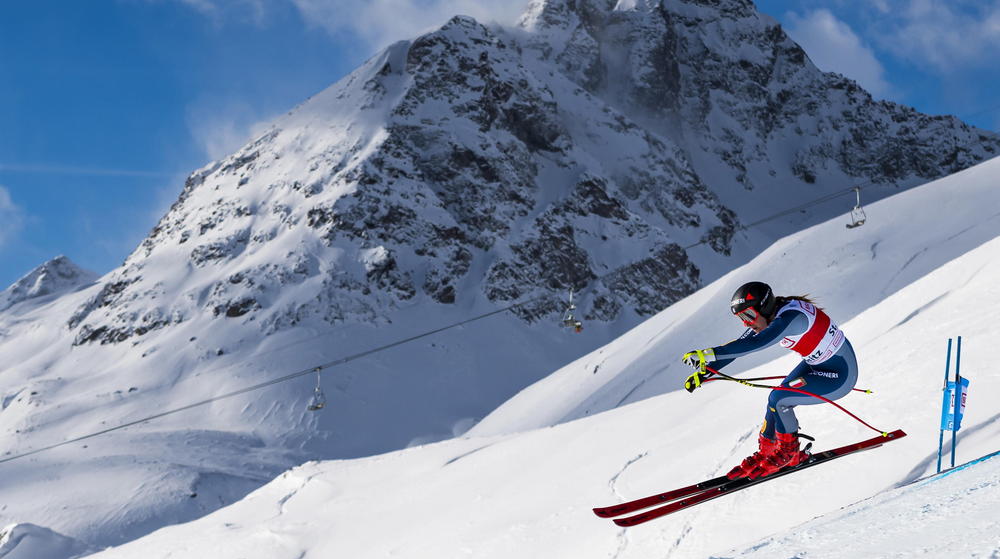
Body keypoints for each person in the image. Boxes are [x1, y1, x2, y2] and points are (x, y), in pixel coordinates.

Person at [681, 281, 858, 479]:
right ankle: (766, 452)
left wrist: (708, 354)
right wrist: (707, 371)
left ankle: (788, 454)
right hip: (817, 365)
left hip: (839, 376)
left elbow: (757, 343)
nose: (746, 323)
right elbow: (743, 344)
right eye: (741, 318)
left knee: (780, 399)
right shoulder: (774, 315)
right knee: (774, 400)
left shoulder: (790, 318)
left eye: (748, 315)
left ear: (763, 307)